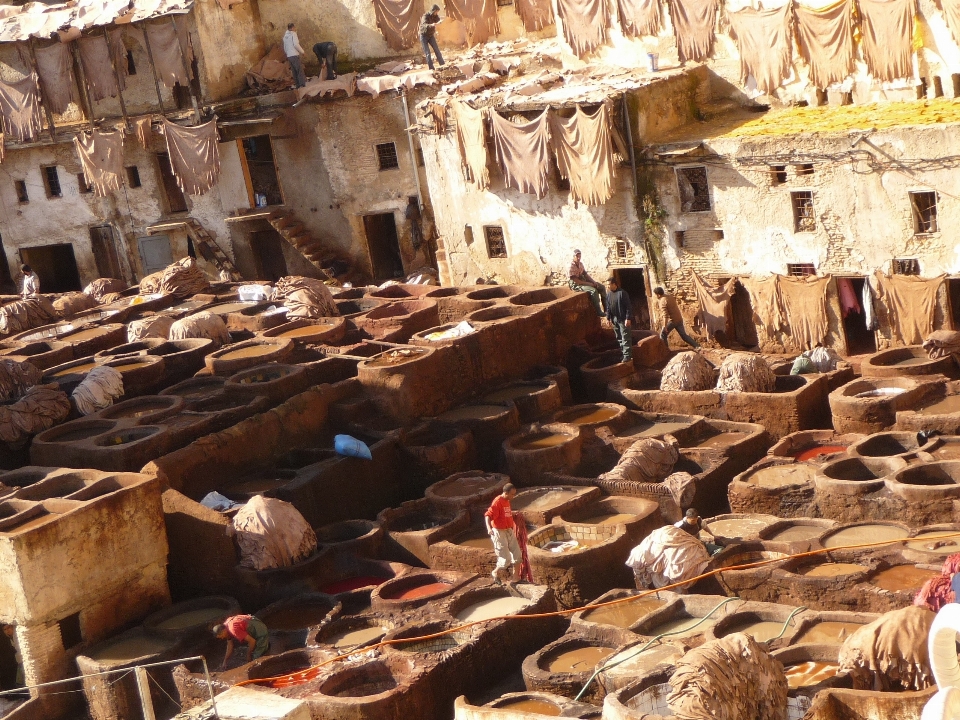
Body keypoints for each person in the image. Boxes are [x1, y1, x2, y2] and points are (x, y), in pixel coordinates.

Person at [484, 483, 521, 586]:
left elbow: (505, 513)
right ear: (506, 493)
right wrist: (489, 529)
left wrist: (513, 513)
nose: (513, 497)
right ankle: (495, 572)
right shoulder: (497, 502)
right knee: (506, 560)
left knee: (517, 554)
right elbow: (488, 516)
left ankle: (515, 578)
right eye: (512, 494)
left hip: (508, 530)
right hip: (499, 532)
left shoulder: (507, 501)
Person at [605, 276, 633, 364]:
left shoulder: (622, 293)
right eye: (607, 285)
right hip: (615, 319)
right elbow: (608, 307)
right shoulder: (609, 294)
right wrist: (608, 318)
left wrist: (628, 318)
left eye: (609, 284)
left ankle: (627, 356)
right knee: (619, 338)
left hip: (623, 319)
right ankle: (624, 354)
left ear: (614, 284)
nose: (608, 286)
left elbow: (628, 307)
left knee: (625, 337)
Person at [568, 249, 604, 317]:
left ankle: (606, 309)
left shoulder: (581, 264)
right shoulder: (571, 266)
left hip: (583, 280)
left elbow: (586, 275)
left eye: (579, 256)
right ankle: (598, 311)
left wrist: (593, 282)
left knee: (601, 287)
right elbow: (577, 281)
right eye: (577, 256)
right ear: (573, 257)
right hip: (576, 284)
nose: (578, 258)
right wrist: (589, 284)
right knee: (593, 290)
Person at [419, 5, 445, 71]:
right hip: (423, 36)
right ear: (433, 11)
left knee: (437, 50)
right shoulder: (425, 16)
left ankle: (443, 65)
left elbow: (438, 20)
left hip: (430, 35)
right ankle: (431, 69)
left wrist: (441, 21)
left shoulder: (435, 16)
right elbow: (424, 25)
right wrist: (431, 25)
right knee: (428, 53)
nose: (437, 13)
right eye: (436, 12)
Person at [283, 23, 306, 89]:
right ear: (293, 28)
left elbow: (285, 47)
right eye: (294, 27)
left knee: (294, 71)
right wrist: (302, 52)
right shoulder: (293, 34)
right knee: (299, 70)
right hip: (294, 55)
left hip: (289, 56)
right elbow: (296, 44)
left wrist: (287, 53)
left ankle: (297, 85)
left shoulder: (285, 36)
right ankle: (302, 85)